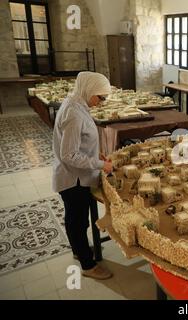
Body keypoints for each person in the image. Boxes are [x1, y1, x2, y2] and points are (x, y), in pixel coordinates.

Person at [52, 72, 113, 280]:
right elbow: (69, 154)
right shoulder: (74, 113)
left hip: (78, 176)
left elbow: (80, 142)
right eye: (101, 97)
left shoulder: (77, 104)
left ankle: (80, 251)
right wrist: (100, 164)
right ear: (89, 90)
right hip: (73, 180)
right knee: (77, 222)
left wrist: (95, 154)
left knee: (78, 220)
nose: (101, 102)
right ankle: (88, 265)